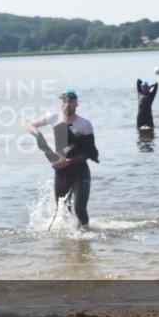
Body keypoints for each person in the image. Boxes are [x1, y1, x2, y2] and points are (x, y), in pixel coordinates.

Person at [26, 89, 99, 228]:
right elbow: (29, 125)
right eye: (64, 101)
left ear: (76, 103)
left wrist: (69, 161)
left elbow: (90, 152)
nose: (67, 104)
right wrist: (37, 134)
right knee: (63, 210)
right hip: (61, 172)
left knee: (79, 208)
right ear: (61, 103)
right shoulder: (53, 117)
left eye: (71, 101)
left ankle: (86, 233)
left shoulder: (84, 124)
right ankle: (70, 239)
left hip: (80, 170)